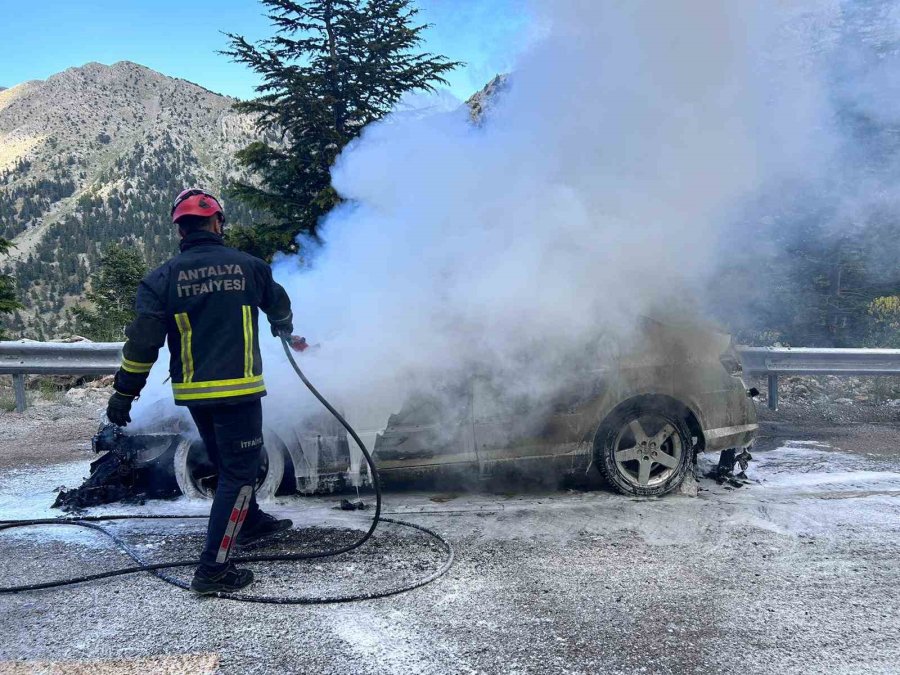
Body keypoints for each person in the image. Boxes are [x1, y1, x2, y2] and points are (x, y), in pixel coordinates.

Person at [105, 188, 295, 594]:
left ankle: (251, 522)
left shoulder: (162, 278)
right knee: (240, 473)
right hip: (240, 392)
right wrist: (284, 326)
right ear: (216, 223)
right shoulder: (249, 267)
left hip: (195, 394)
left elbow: (142, 344)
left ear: (181, 230)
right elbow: (278, 304)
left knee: (230, 466)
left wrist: (124, 392)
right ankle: (213, 570)